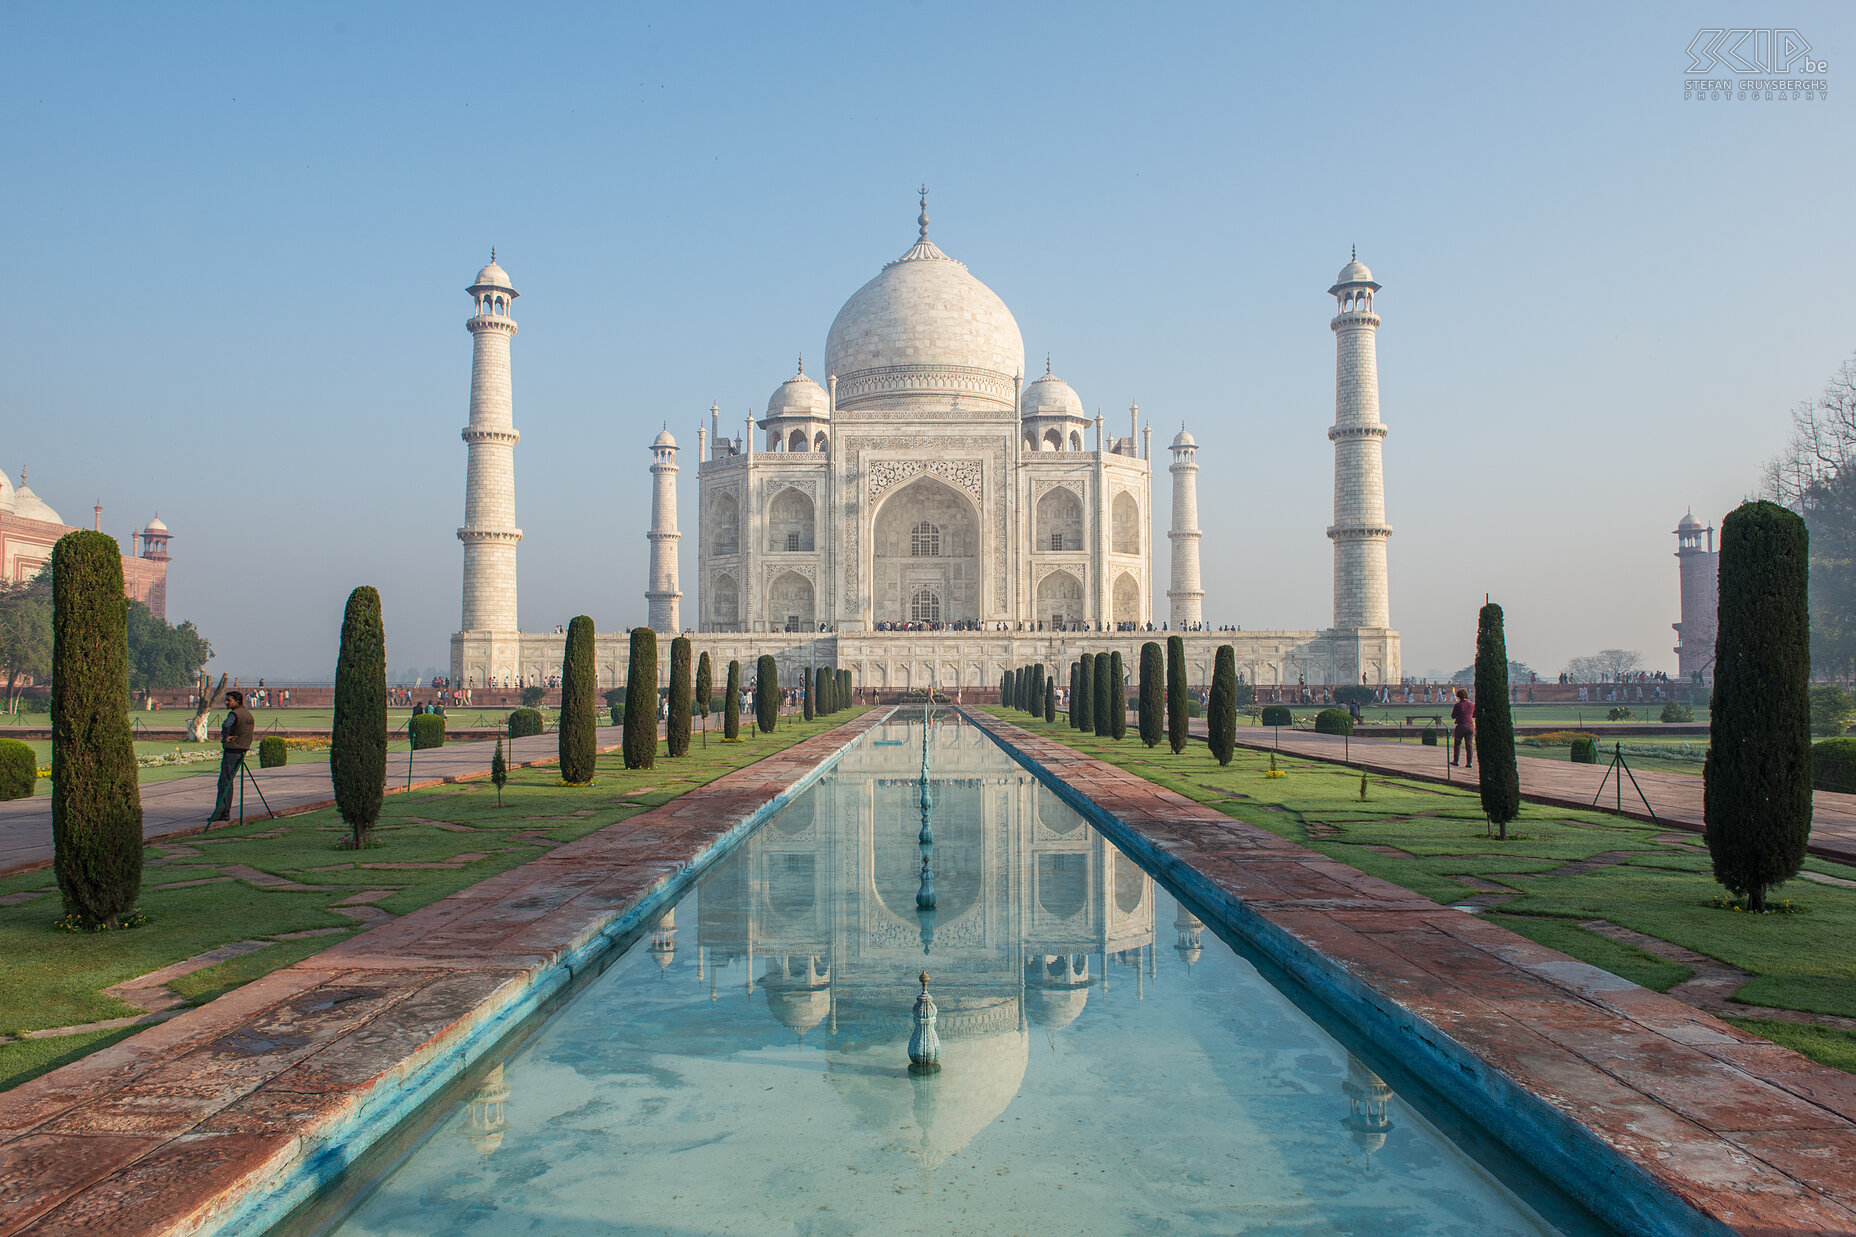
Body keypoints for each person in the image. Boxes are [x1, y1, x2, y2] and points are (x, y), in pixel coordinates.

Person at [209, 689, 256, 823]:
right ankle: (224, 811)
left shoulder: (234, 714)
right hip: (242, 749)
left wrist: (226, 737)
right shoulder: (248, 714)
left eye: (229, 700)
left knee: (225, 782)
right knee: (229, 780)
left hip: (232, 750)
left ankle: (222, 812)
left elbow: (226, 725)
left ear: (237, 701)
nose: (226, 702)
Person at [1450, 688, 1475, 768]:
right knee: (1469, 745)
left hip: (1461, 725)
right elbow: (1474, 714)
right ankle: (1469, 762)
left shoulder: (1458, 705)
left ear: (1458, 696)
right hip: (1470, 726)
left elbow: (1453, 716)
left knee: (1457, 744)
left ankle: (1456, 760)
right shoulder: (1471, 704)